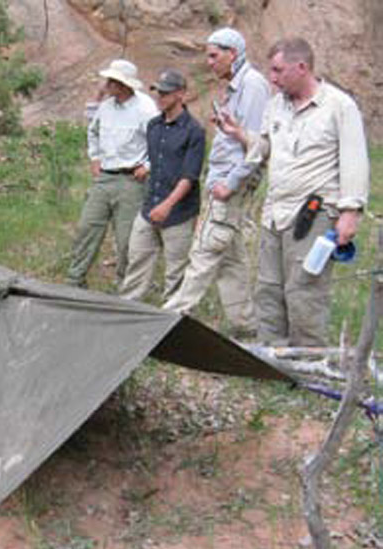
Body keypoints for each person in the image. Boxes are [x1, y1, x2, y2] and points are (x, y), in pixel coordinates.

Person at [219, 37, 369, 347]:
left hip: (313, 213)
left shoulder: (339, 106)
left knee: (305, 289)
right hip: (275, 212)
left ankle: (307, 357)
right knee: (269, 287)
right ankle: (272, 354)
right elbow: (265, 147)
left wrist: (350, 212)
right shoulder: (276, 106)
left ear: (301, 68)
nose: (272, 78)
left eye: (278, 70)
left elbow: (355, 160)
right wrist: (239, 134)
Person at [163, 28, 270, 336]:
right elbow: (239, 136)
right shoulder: (237, 87)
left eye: (213, 55)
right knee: (230, 260)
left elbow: (258, 147)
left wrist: (231, 184)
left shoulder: (252, 86)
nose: (209, 63)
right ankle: (246, 327)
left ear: (232, 54)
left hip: (228, 188)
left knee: (204, 253)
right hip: (222, 183)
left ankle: (167, 323)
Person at [66, 59, 158, 289]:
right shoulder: (106, 107)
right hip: (105, 177)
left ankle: (125, 287)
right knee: (88, 227)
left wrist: (147, 166)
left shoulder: (145, 109)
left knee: (127, 238)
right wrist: (95, 158)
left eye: (112, 80)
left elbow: (159, 142)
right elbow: (93, 132)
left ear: (124, 84)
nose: (107, 84)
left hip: (132, 181)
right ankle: (75, 281)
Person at [119, 69, 206, 302]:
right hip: (149, 207)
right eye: (158, 92)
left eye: (166, 93)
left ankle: (173, 322)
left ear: (180, 95)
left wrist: (167, 205)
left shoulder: (194, 131)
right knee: (136, 262)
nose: (160, 97)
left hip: (178, 212)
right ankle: (127, 310)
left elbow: (190, 176)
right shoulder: (154, 126)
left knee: (175, 274)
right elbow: (155, 161)